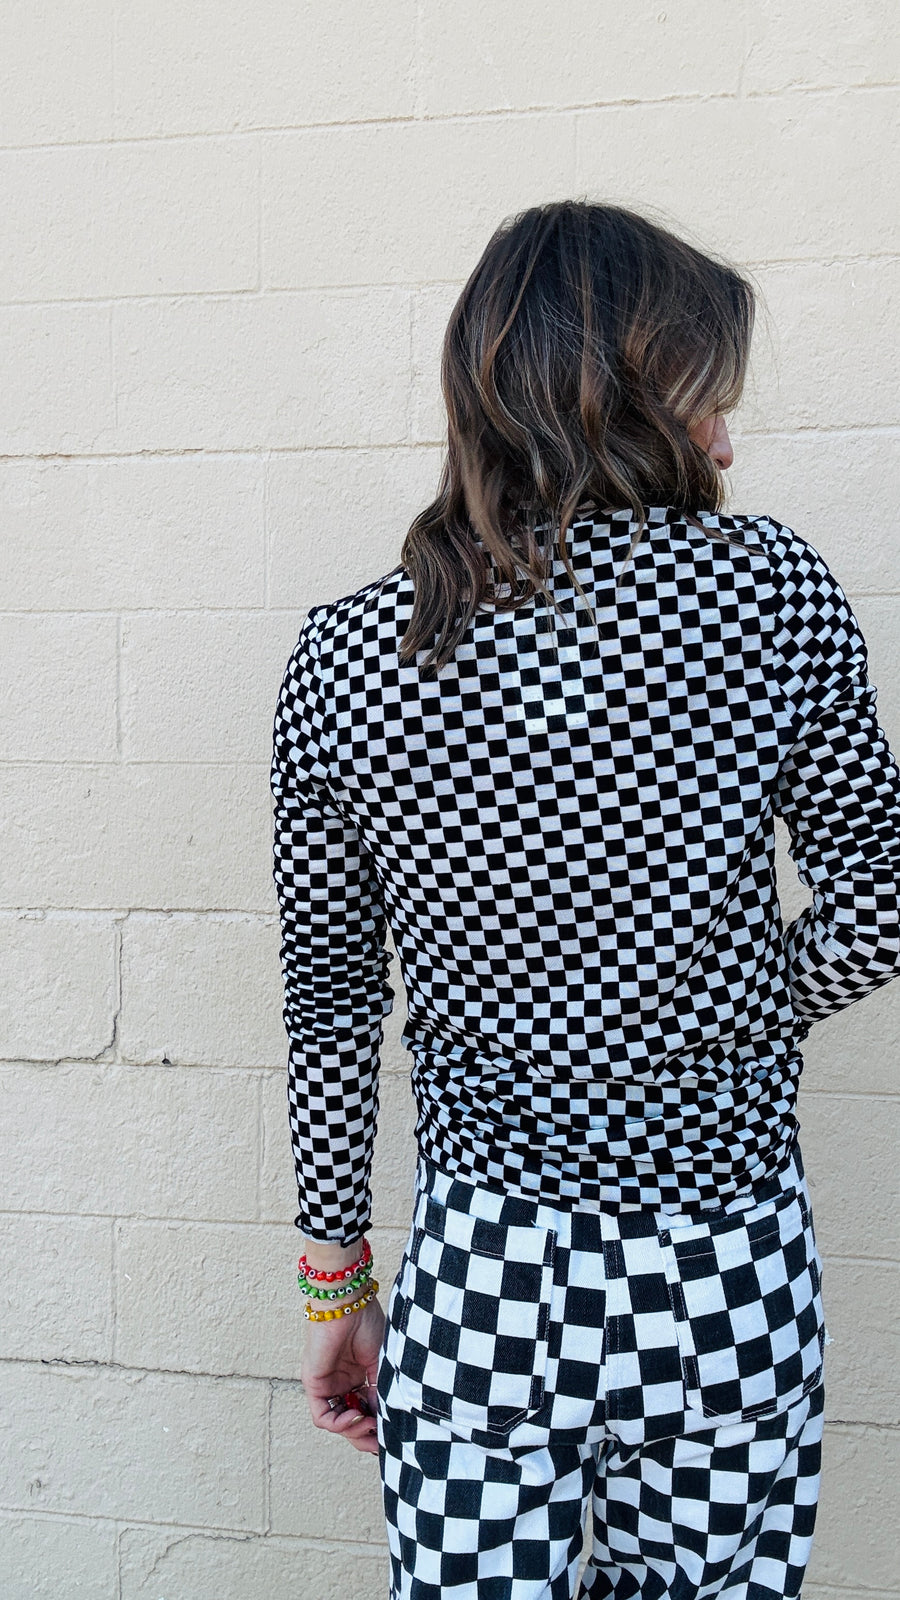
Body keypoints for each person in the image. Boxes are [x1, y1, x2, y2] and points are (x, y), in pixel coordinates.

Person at [270, 200, 900, 1600]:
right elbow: (887, 893)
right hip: (723, 1271)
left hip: (488, 1286)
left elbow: (329, 999)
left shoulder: (350, 652)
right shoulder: (771, 590)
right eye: (708, 402)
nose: (727, 443)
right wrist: (729, 1002)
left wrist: (335, 1287)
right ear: (619, 388)